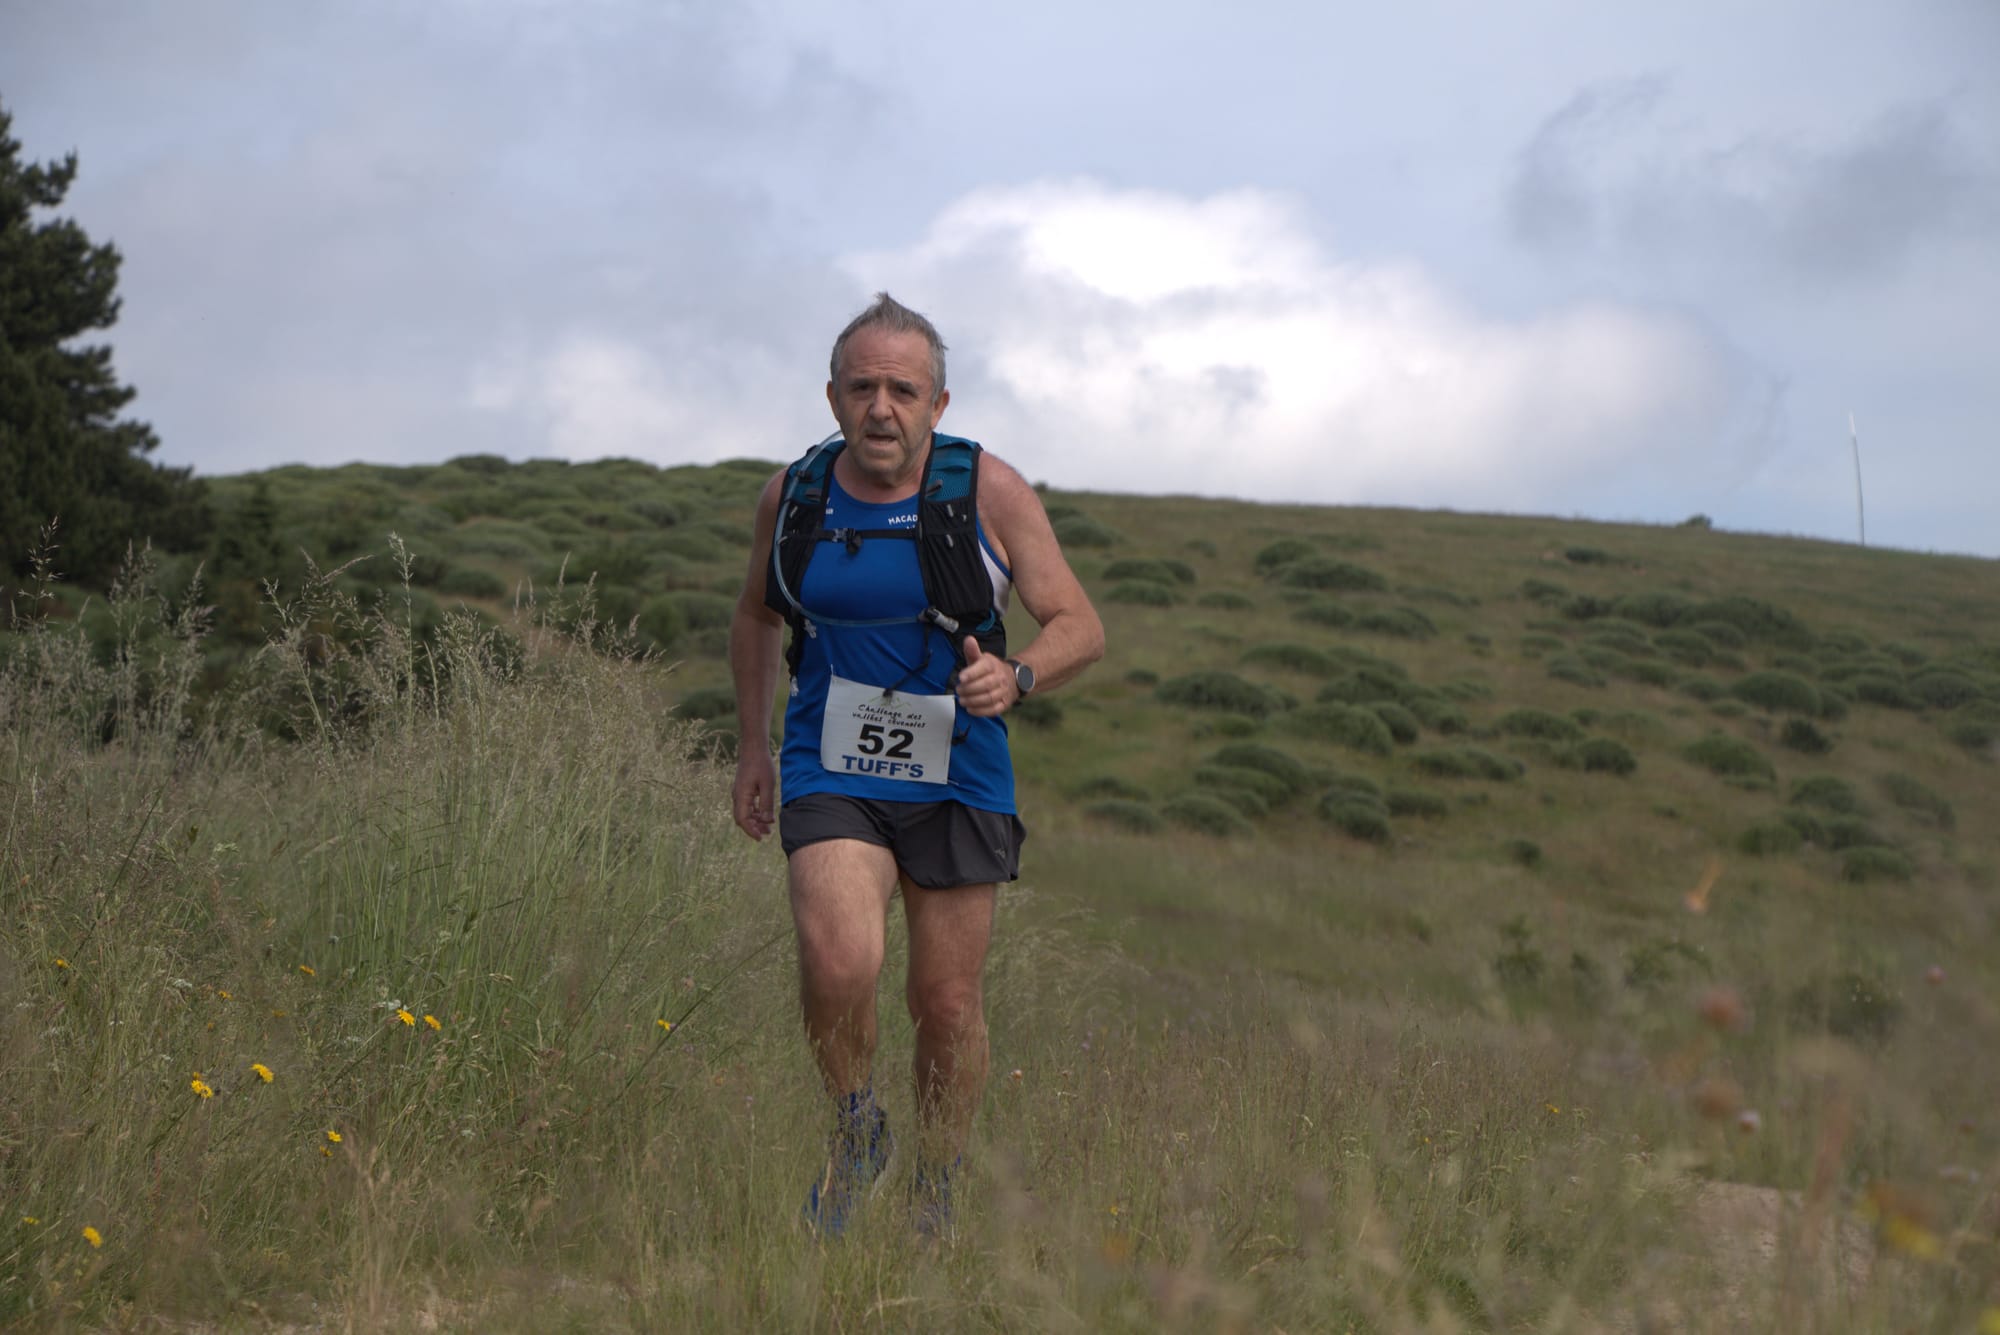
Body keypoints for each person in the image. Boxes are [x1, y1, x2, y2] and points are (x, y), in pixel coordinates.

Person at [728, 293, 1104, 1238]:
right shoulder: (796, 495)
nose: (881, 407)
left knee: (944, 1002)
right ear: (832, 396)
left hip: (956, 769)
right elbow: (755, 616)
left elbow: (1081, 627)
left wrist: (1016, 676)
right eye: (863, 387)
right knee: (837, 956)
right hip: (831, 764)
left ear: (939, 403)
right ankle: (857, 1129)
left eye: (904, 389)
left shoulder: (989, 491)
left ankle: (936, 1179)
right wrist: (751, 744)